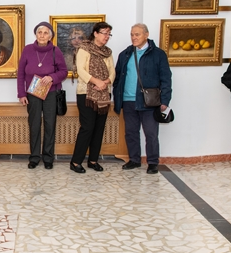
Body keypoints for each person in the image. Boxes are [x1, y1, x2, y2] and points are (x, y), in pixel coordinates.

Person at [113, 23, 171, 174]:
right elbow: (117, 78)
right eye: (132, 34)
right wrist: (118, 97)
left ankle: (152, 162)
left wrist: (165, 100)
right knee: (131, 132)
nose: (134, 37)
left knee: (151, 133)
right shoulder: (125, 54)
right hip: (128, 101)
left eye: (137, 34)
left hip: (149, 102)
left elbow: (166, 79)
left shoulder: (158, 54)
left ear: (146, 35)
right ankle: (134, 160)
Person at [16, 21, 68, 169]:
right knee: (34, 124)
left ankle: (48, 158)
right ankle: (34, 157)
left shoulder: (56, 51)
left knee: (50, 125)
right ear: (36, 34)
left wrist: (52, 77)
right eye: (40, 32)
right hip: (32, 93)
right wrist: (21, 93)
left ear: (50, 36)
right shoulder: (27, 50)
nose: (42, 35)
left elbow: (64, 72)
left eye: (45, 33)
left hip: (51, 93)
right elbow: (20, 74)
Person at [70, 22, 115, 173]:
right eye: (104, 33)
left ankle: (93, 160)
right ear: (95, 33)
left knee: (99, 128)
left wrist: (106, 82)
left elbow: (113, 72)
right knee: (87, 127)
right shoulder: (84, 49)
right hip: (86, 94)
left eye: (109, 34)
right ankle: (76, 162)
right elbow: (81, 70)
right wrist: (97, 82)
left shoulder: (108, 52)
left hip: (104, 94)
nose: (107, 36)